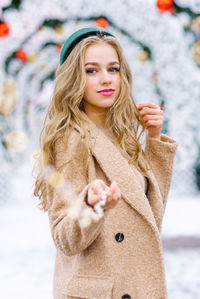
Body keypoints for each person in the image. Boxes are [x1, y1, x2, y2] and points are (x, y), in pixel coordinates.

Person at [34, 27, 178, 299]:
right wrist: (90, 205)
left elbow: (149, 219)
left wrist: (154, 140)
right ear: (73, 78)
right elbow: (65, 239)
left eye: (113, 69)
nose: (105, 79)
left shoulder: (123, 134)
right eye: (91, 70)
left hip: (136, 286)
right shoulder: (69, 140)